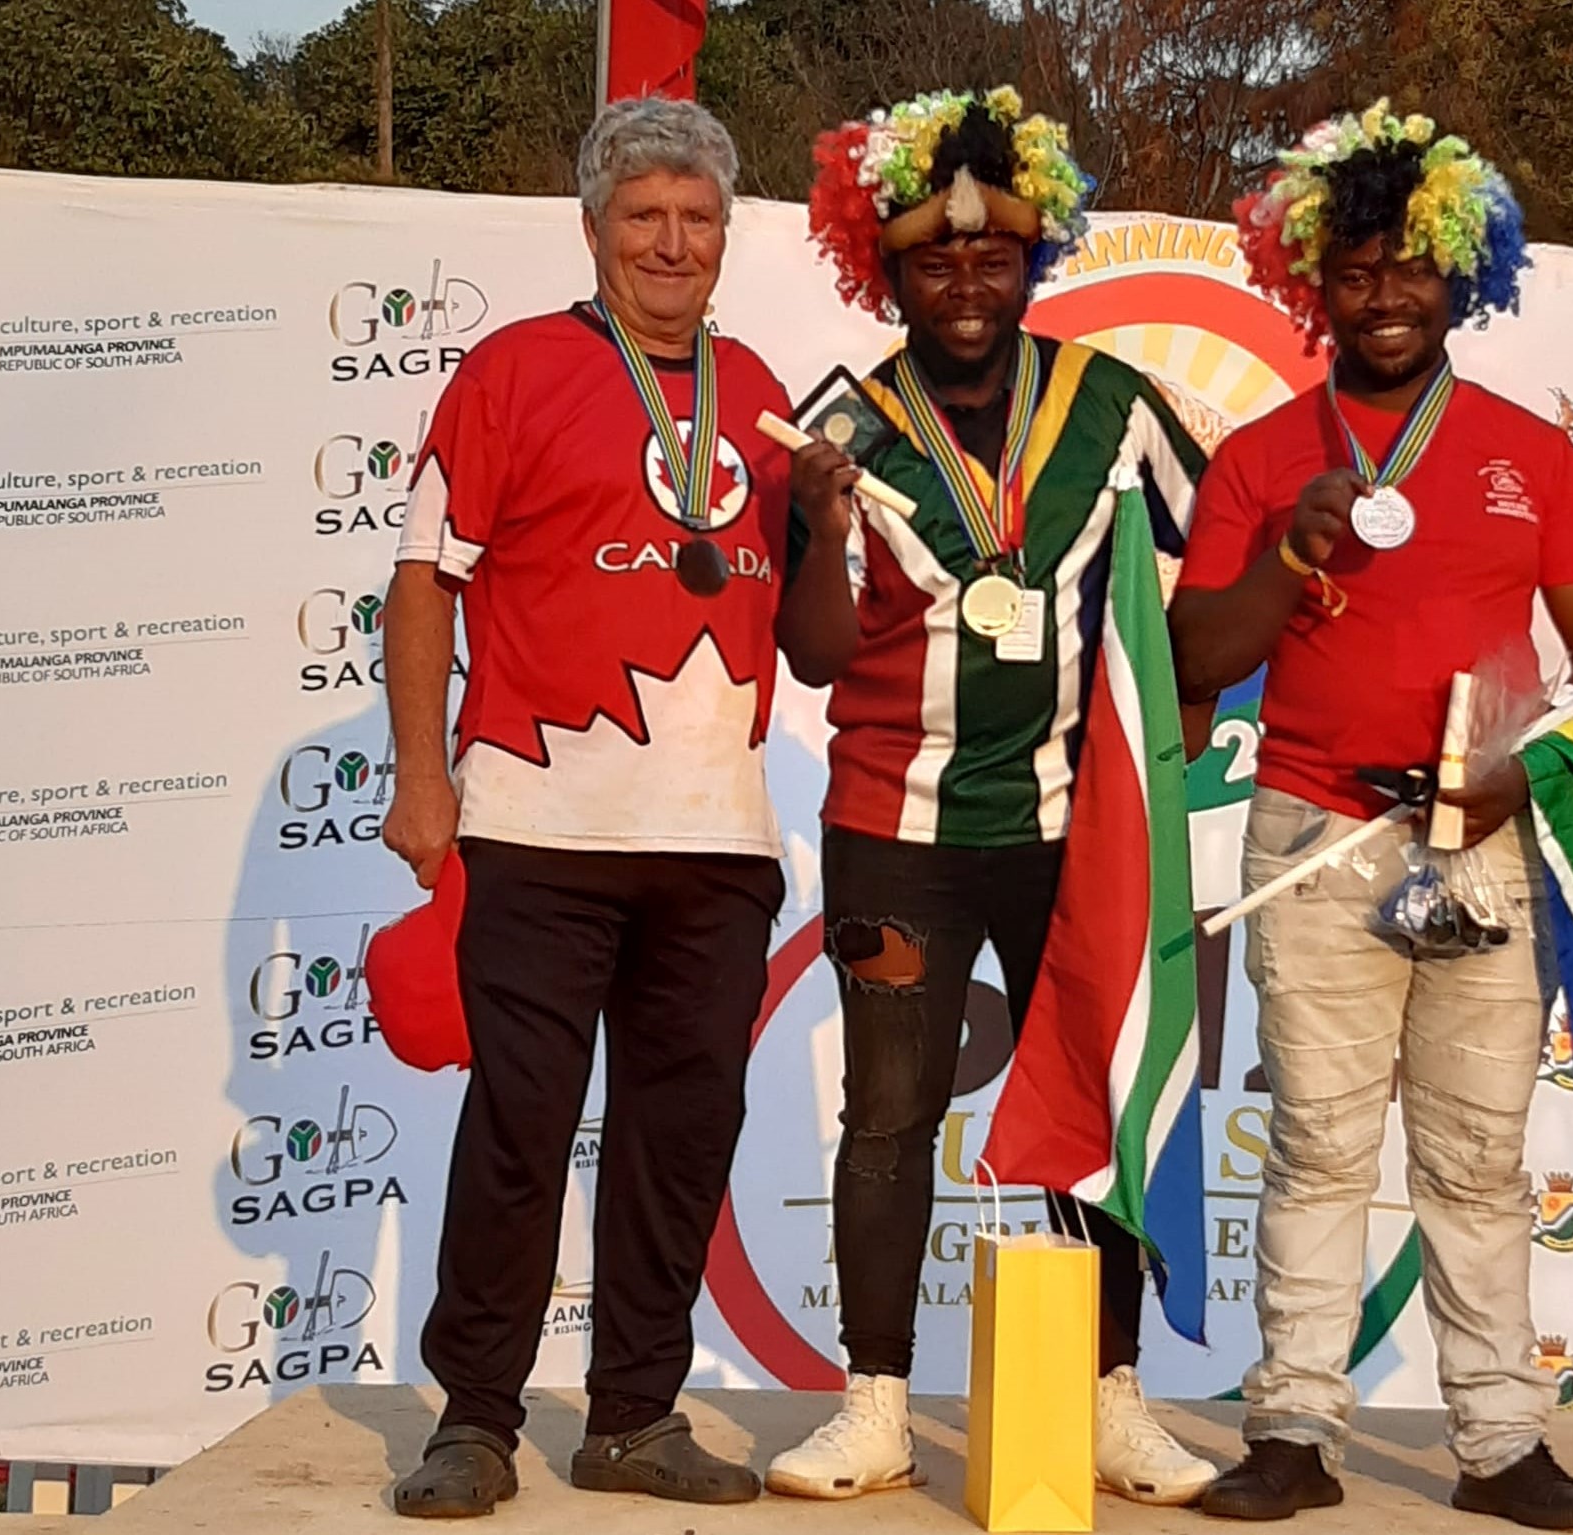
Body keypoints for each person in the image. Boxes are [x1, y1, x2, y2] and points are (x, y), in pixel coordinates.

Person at [379, 97, 852, 1517]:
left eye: (697, 218)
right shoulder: (515, 371)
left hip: (716, 841)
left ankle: (635, 1416)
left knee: (679, 1138)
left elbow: (814, 650)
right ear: (592, 229)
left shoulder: (762, 396)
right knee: (519, 1129)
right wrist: (420, 775)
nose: (671, 242)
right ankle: (475, 1418)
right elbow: (423, 582)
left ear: (727, 236)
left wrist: (827, 526)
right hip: (540, 825)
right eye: (643, 215)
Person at [1171, 102, 1573, 1527]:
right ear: (1314, 282)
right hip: (1315, 835)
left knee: (1479, 1162)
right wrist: (1289, 550)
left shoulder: (1532, 455)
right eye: (1356, 271)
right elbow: (1196, 658)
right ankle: (1292, 1433)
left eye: (1411, 269)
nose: (1384, 297)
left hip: (1488, 845)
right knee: (1317, 1148)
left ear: (1462, 274)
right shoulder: (1261, 457)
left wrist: (1522, 773)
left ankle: (1500, 1443)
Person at [762, 87, 1219, 1508]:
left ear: (1036, 262)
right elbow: (811, 654)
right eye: (934, 261)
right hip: (894, 833)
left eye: (995, 258)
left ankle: (1111, 1400)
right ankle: (876, 1407)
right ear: (883, 272)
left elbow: (1218, 566)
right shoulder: (839, 427)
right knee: (889, 1113)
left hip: (1081, 832)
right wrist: (820, 522)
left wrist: (1183, 740)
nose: (966, 284)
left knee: (1097, 1102)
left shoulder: (1115, 407)